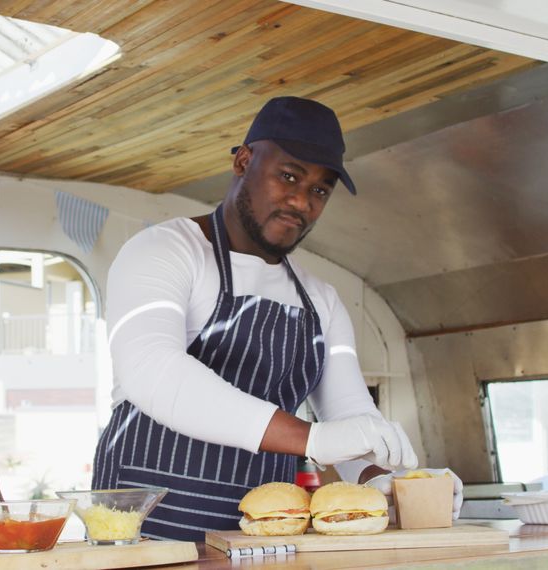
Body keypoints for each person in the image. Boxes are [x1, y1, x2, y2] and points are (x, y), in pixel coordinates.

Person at [92, 96, 462, 541]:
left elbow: (348, 414)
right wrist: (313, 439)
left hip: (263, 537)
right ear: (244, 161)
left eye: (320, 190)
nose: (300, 201)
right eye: (288, 175)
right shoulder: (165, 250)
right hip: (147, 527)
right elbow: (153, 372)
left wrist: (384, 479)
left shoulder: (321, 301)